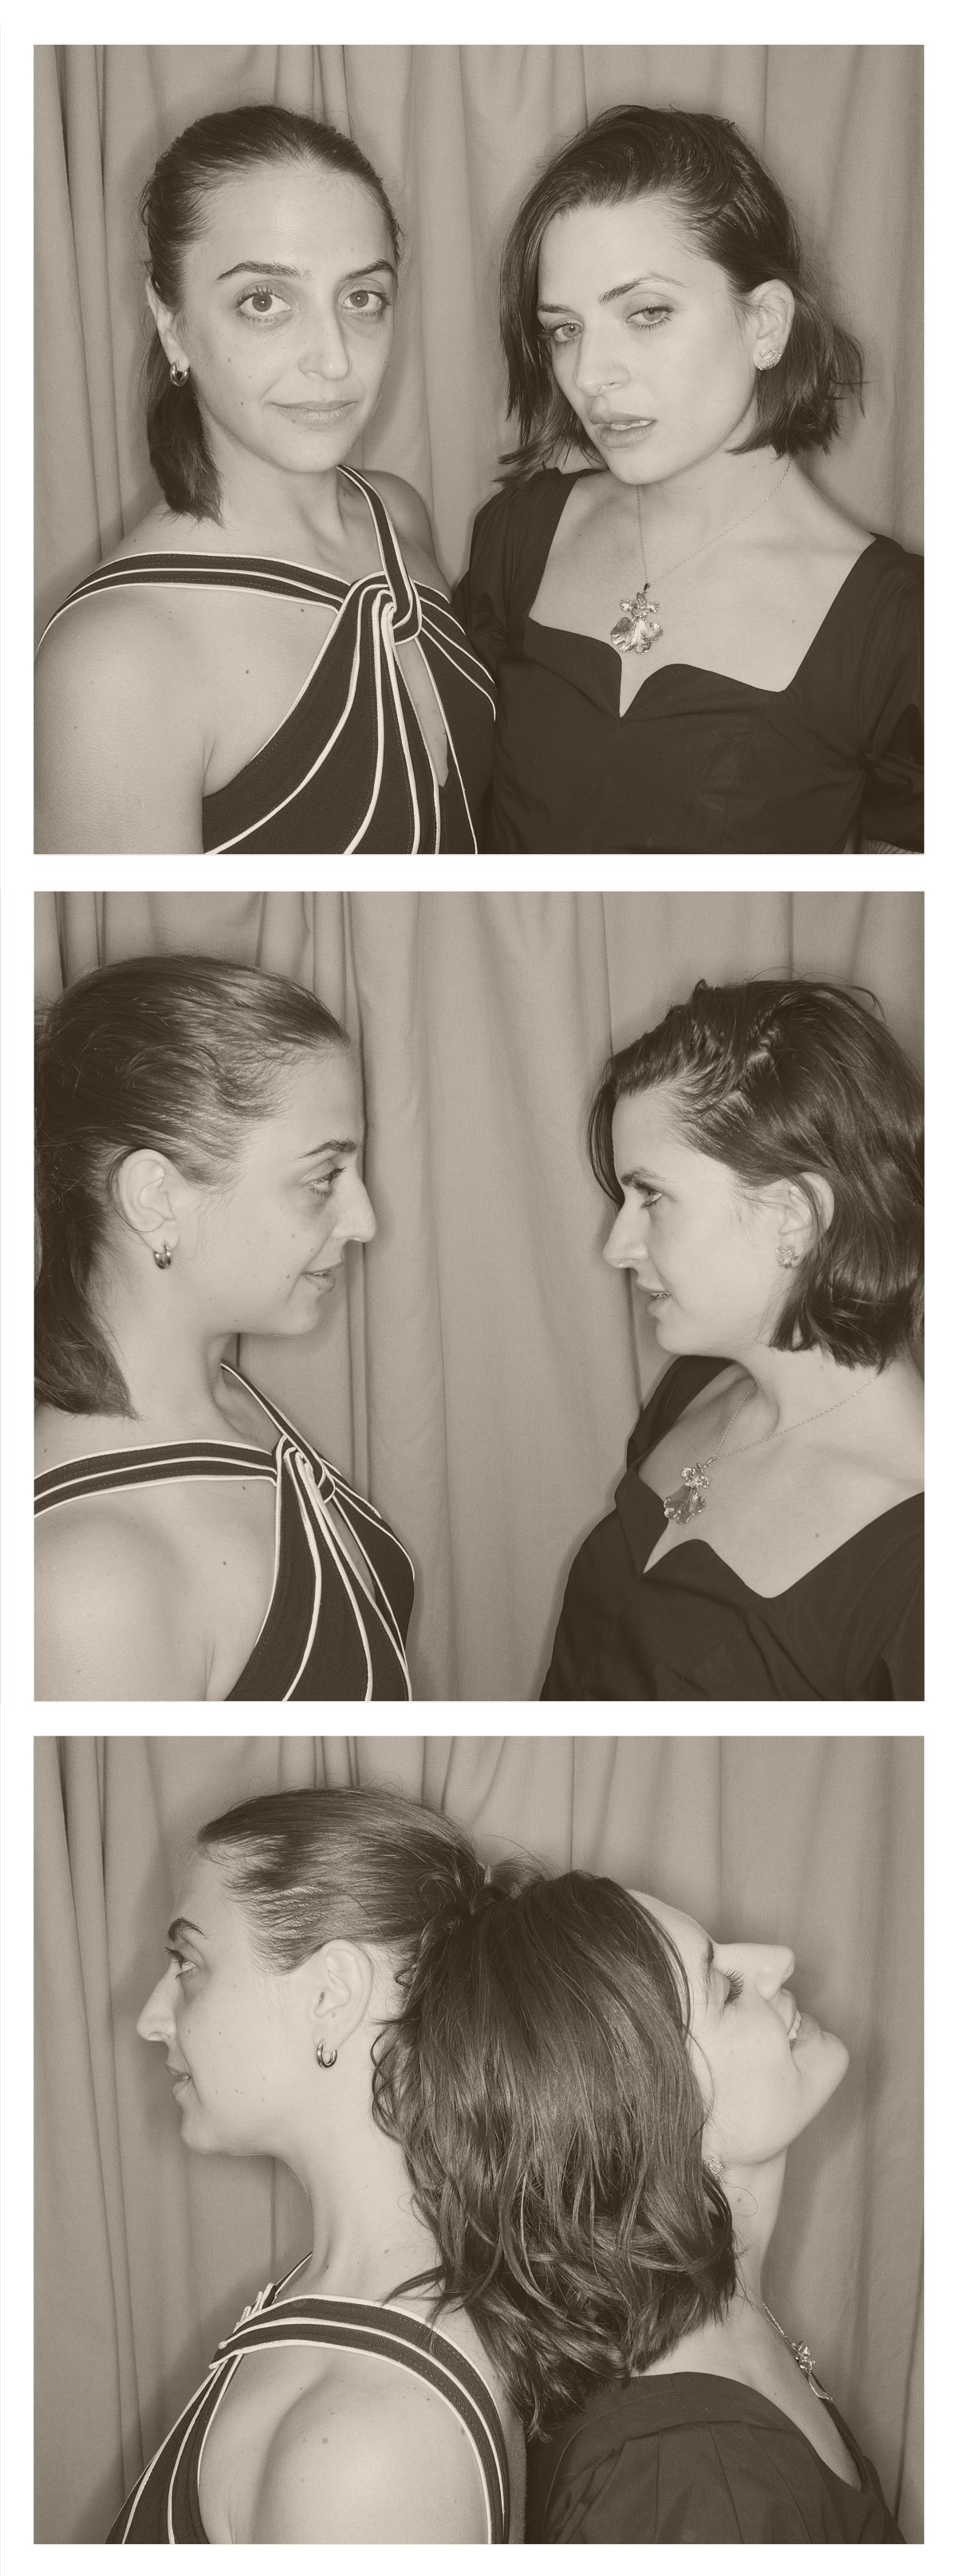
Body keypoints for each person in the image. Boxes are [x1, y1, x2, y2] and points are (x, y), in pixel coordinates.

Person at [377, 1865, 904, 2542]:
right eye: (726, 1990)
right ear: (655, 2129)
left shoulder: (714, 2334)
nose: (778, 1961)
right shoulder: (686, 2483)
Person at [455, 105, 923, 855]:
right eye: (564, 330)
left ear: (765, 325)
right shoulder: (516, 536)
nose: (589, 374)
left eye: (646, 313)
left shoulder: (901, 631)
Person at [35, 104, 494, 854]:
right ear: (171, 322)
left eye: (362, 298)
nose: (334, 359)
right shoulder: (115, 662)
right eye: (264, 301)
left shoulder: (397, 514)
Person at [105, 1790, 523, 2549]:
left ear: (334, 1994)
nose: (151, 2019)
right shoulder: (344, 2300)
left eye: (189, 1964)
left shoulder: (367, 2447)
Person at [35, 955, 415, 1703]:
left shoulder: (223, 1395)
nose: (364, 1221)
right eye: (322, 1179)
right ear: (155, 1198)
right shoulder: (93, 1587)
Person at [542, 977, 924, 1702]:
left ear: (795, 1215)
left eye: (652, 1196)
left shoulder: (919, 1563)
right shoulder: (693, 1387)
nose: (617, 1247)